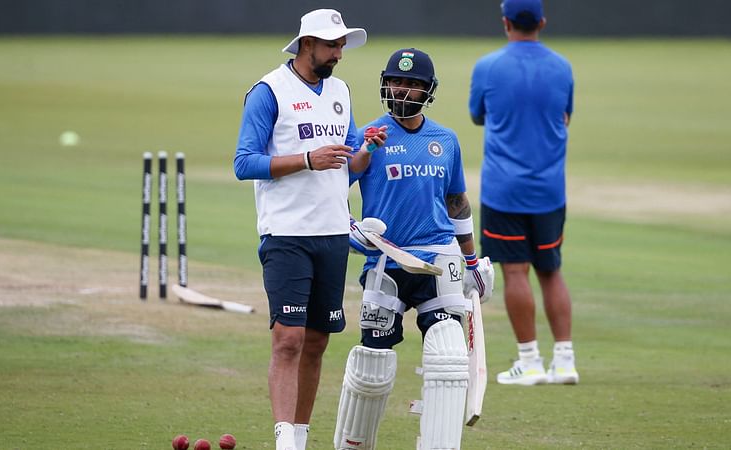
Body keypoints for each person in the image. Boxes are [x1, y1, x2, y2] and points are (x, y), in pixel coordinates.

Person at [233, 9, 386, 450]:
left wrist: (364, 152)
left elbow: (346, 169)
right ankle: (285, 441)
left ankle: (300, 437)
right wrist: (306, 158)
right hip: (286, 233)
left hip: (335, 233)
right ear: (306, 45)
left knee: (317, 341)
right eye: (332, 45)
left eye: (341, 45)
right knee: (288, 339)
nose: (339, 53)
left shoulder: (340, 90)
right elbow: (244, 164)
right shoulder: (268, 91)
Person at [333, 48, 494, 450]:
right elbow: (334, 192)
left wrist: (472, 260)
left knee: (448, 357)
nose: (402, 89)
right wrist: (352, 230)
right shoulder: (368, 136)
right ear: (385, 84)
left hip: (439, 260)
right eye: (396, 81)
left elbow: (457, 203)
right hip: (385, 259)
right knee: (372, 364)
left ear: (428, 91)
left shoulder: (446, 140)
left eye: (412, 84)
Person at [468, 0, 579, 386]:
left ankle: (529, 359)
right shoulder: (562, 67)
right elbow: (566, 114)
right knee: (551, 270)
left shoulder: (488, 66)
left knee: (516, 271)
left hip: (504, 190)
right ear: (542, 22)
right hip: (549, 189)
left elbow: (477, 114)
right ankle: (564, 360)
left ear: (505, 23)